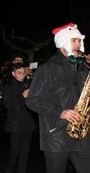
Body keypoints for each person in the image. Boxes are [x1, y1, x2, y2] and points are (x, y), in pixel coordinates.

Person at [26, 23, 90, 173]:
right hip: (57, 137)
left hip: (82, 135)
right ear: (63, 42)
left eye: (80, 40)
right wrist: (61, 112)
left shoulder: (83, 68)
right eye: (74, 40)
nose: (78, 44)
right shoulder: (47, 68)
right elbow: (32, 100)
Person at [2, 63, 35, 173]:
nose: (22, 75)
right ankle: (7, 169)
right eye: (19, 73)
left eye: (23, 73)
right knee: (15, 150)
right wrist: (22, 96)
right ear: (13, 73)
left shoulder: (27, 84)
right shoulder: (8, 86)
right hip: (15, 123)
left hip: (28, 122)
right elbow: (7, 104)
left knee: (25, 153)